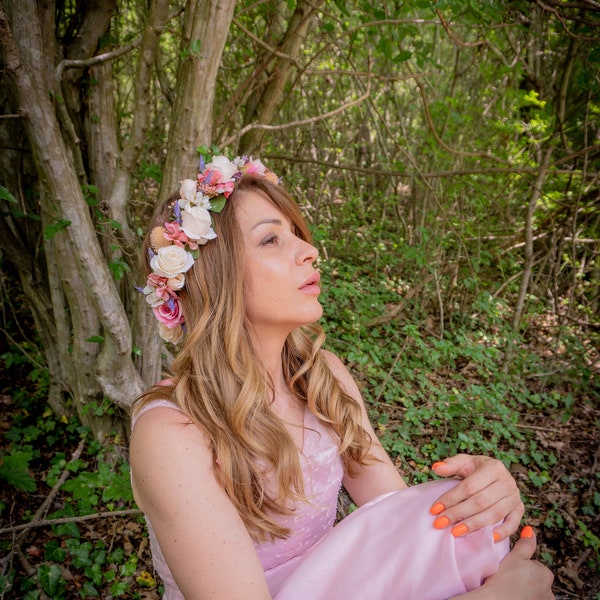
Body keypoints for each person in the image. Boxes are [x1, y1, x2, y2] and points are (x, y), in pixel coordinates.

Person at [130, 155, 554, 599]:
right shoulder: (172, 432)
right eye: (271, 239)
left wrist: (480, 496)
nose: (309, 250)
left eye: (297, 233)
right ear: (213, 277)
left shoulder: (321, 375)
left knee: (464, 524)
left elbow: (398, 518)